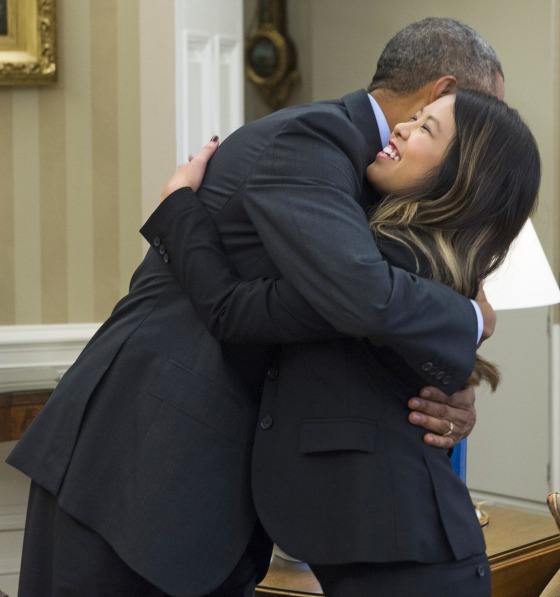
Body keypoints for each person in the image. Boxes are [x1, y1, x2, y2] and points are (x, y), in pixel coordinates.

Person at [8, 17, 502, 597]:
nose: (486, 138)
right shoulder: (311, 139)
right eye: (483, 116)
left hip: (206, 501)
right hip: (131, 472)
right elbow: (359, 296)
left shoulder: (377, 185)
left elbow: (330, 321)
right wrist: (471, 320)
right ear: (441, 94)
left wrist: (449, 386)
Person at [164, 88, 539, 596]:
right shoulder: (419, 262)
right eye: (413, 117)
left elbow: (233, 309)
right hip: (409, 558)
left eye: (426, 128)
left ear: (462, 177)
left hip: (410, 568)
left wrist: (178, 207)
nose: (402, 128)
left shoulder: (385, 264)